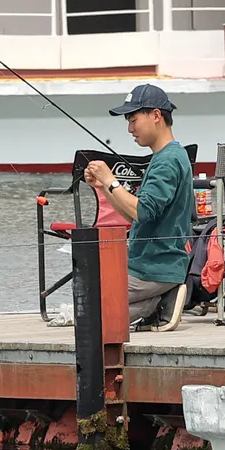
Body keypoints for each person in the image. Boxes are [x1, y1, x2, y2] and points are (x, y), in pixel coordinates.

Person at [84, 84, 193, 332]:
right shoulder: (169, 156)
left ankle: (160, 303)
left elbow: (142, 211)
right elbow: (134, 215)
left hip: (153, 267)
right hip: (157, 266)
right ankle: (161, 300)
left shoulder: (167, 160)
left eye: (133, 120)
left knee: (89, 305)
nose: (130, 129)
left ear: (156, 116)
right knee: (94, 309)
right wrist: (103, 186)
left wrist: (111, 179)